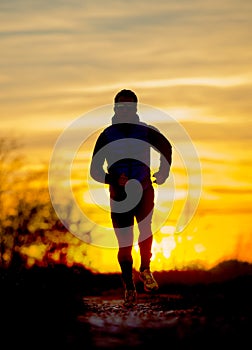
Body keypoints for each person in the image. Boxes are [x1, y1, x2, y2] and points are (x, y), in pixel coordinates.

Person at [90, 89, 172, 307]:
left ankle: (145, 269)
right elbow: (94, 170)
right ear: (115, 108)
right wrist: (113, 179)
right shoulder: (106, 135)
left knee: (146, 230)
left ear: (136, 108)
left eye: (130, 107)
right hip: (119, 196)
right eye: (121, 107)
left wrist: (163, 172)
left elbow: (167, 147)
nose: (125, 111)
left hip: (144, 189)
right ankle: (128, 285)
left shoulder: (146, 131)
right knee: (124, 245)